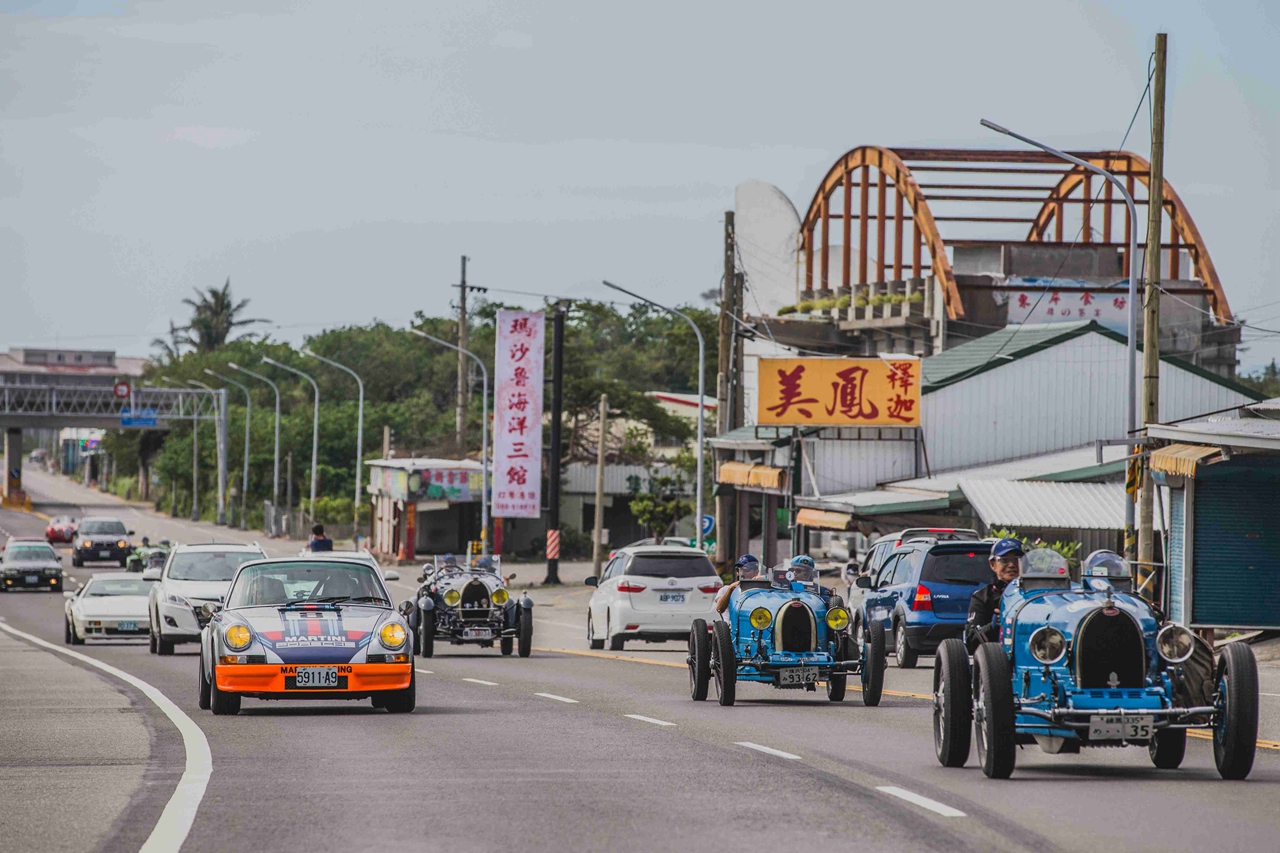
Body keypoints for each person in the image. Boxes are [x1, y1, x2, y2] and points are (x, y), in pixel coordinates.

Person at [965, 537, 1024, 653]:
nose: (1012, 565)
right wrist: (992, 626)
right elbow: (971, 640)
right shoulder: (982, 597)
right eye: (1005, 560)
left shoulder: (1035, 594)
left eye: (1017, 560)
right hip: (996, 659)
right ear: (993, 565)